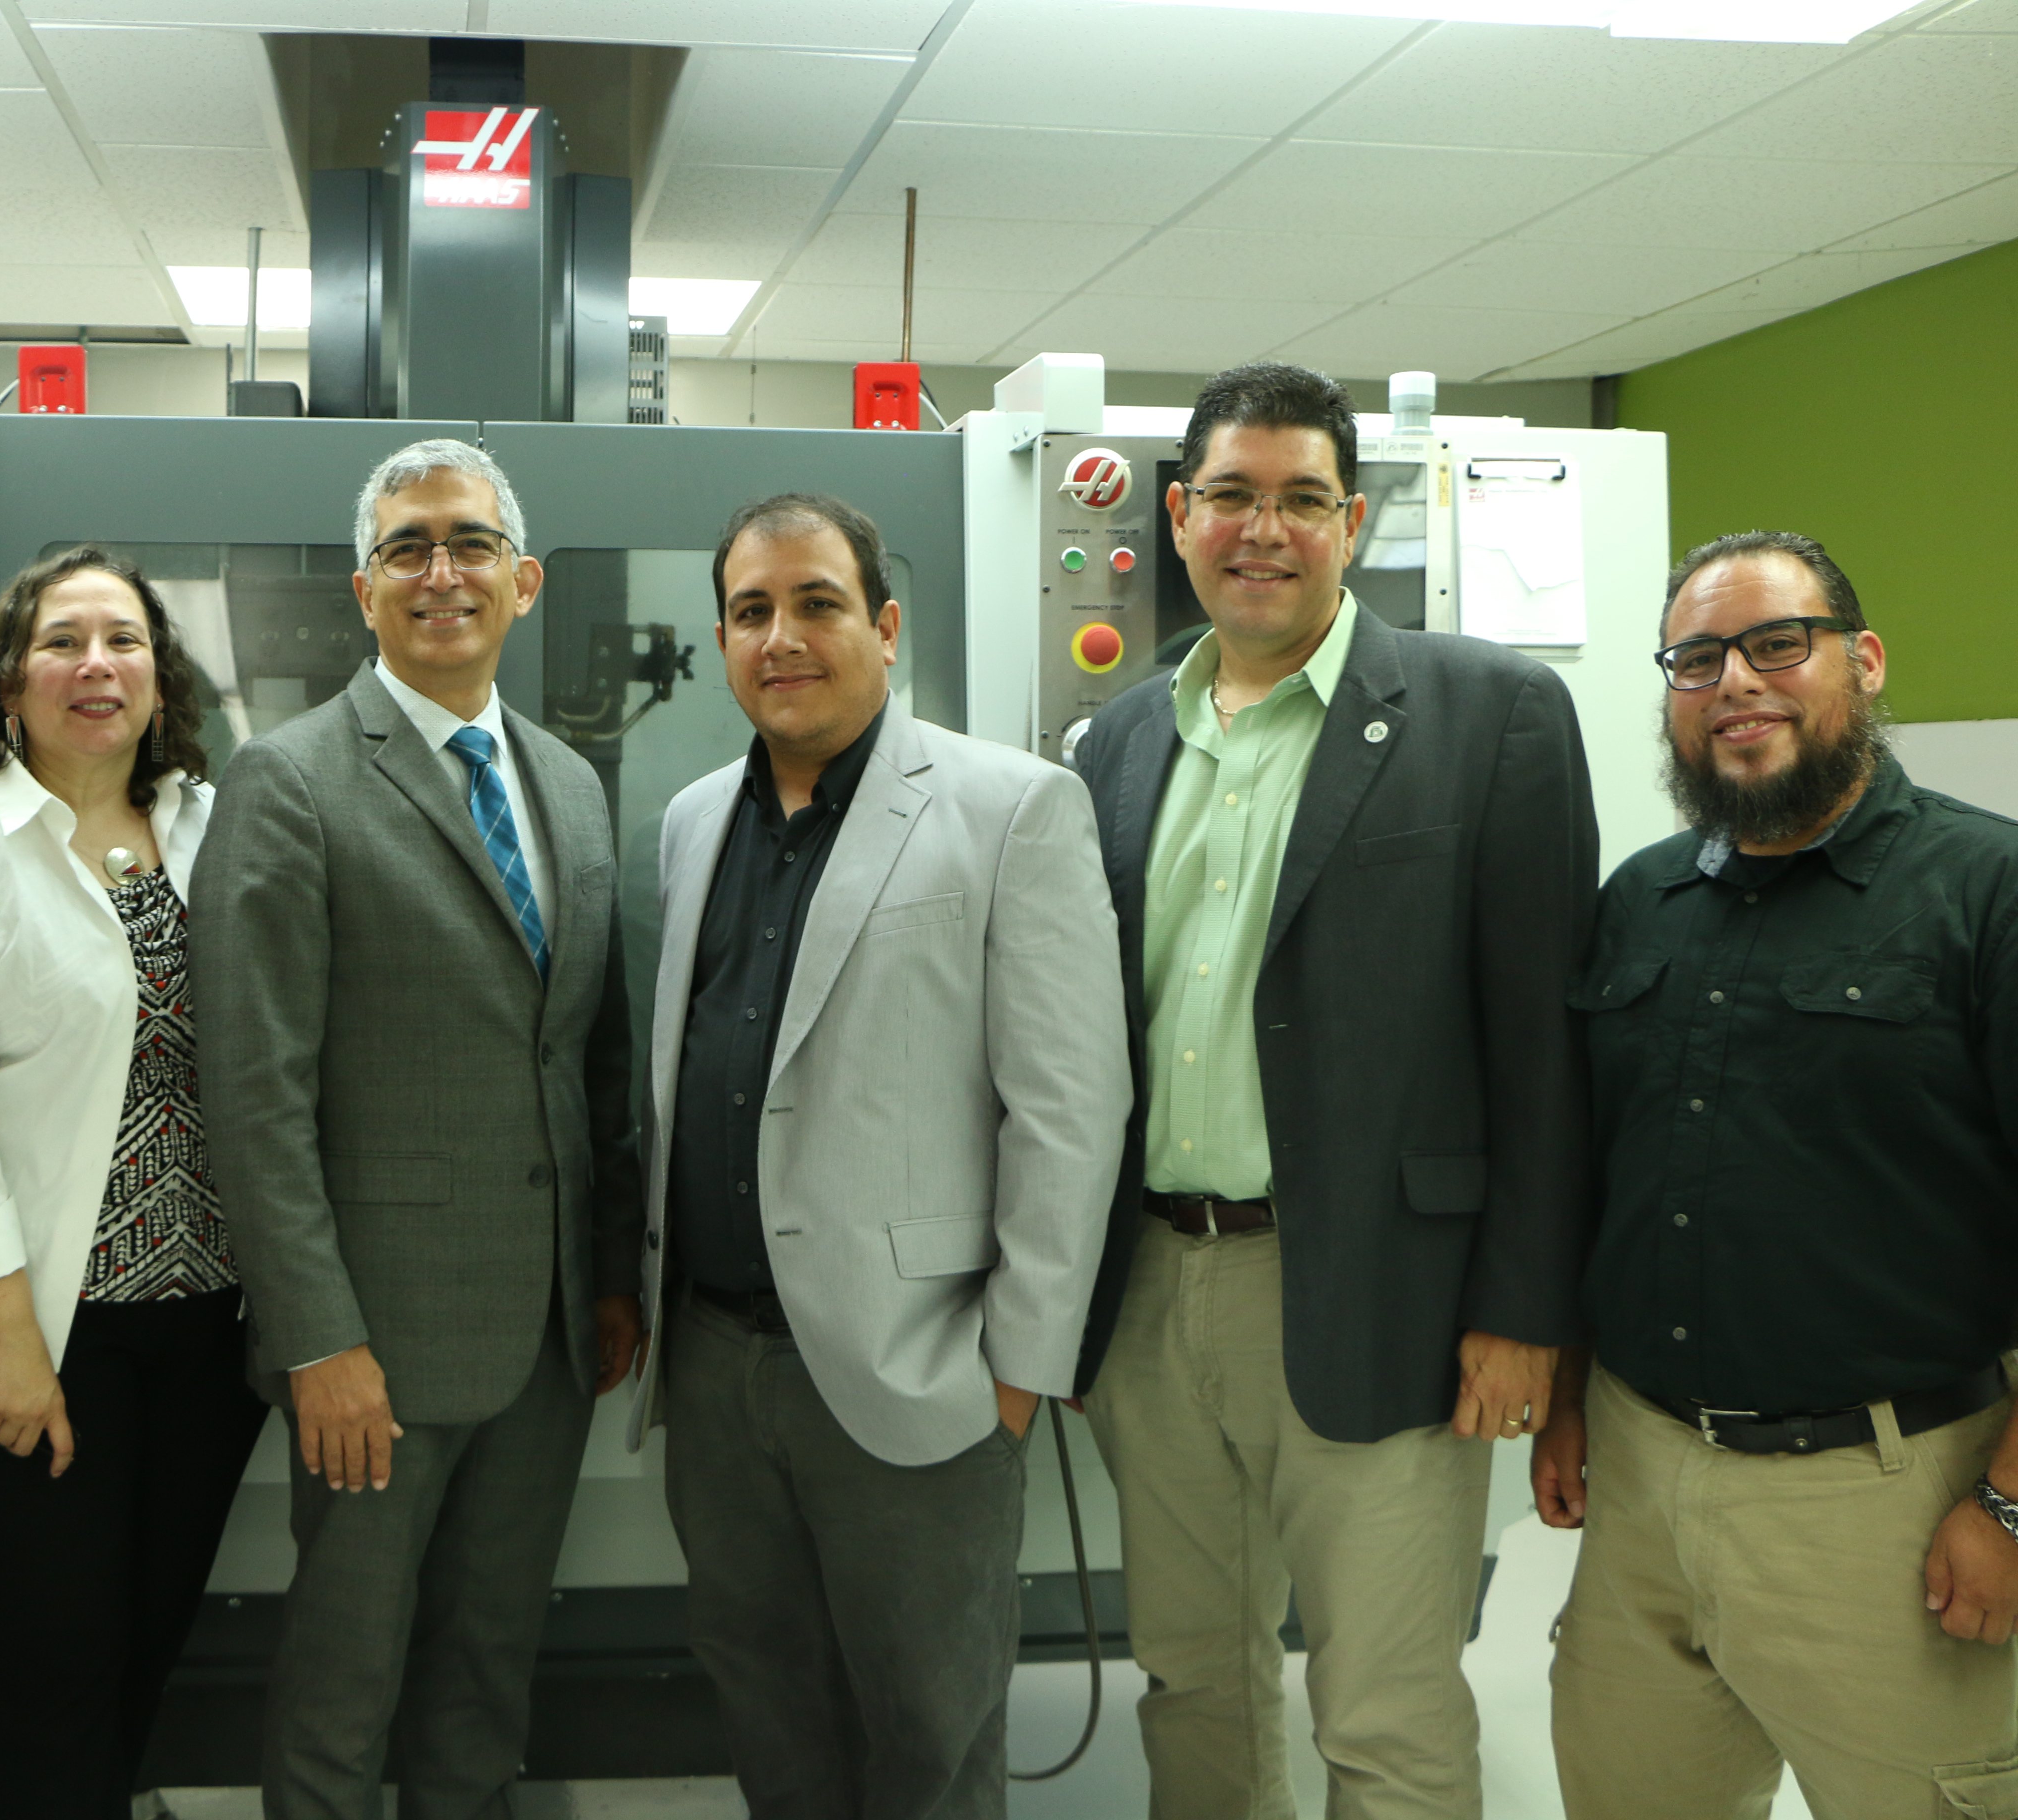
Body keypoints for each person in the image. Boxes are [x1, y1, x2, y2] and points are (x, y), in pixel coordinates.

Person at [1066, 362, 1598, 1818]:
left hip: (1388, 1290)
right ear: (1178, 518)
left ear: (1352, 524)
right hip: (1157, 1292)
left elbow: (1545, 1047)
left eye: (1304, 499)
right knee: (1193, 1681)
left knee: (1387, 1705)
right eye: (1233, 496)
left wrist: (1523, 1314)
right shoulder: (1116, 743)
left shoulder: (1490, 714)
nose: (1265, 529)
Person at [629, 493, 1127, 1820]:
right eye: (751, 612)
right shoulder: (691, 823)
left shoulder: (1012, 807)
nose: (781, 637)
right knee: (767, 1706)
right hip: (722, 1372)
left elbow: (1072, 1110)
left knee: (927, 1733)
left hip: (923, 1370)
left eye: (816, 604)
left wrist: (1021, 1367)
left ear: (886, 626)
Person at [189, 438, 642, 1820]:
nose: (440, 573)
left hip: (550, 1335)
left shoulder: (568, 782)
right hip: (374, 1344)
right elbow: (253, 1089)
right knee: (346, 1677)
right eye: (408, 549)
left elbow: (592, 1055)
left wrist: (612, 1273)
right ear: (365, 587)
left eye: (466, 544)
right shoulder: (293, 779)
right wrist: (320, 1339)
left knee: (486, 1671)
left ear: (525, 581)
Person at [1538, 531, 2018, 1819]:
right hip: (1642, 1488)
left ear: (1860, 663)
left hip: (1890, 1500)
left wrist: (2013, 1507)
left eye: (1774, 645)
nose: (1735, 681)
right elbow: (1602, 1176)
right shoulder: (1640, 901)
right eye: (1698, 659)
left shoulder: (1990, 891)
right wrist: (1575, 1392)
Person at [0, 545, 264, 1819]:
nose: (98, 665)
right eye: (64, 642)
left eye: (125, 641)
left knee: (139, 1657)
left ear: (160, 672)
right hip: (13, 1338)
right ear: (10, 678)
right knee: (43, 1681)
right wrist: (13, 1343)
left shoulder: (209, 821)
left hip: (197, 1338)